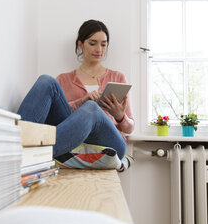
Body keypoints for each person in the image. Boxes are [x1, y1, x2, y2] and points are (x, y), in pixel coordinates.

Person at [17, 19, 134, 160]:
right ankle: (17, 143)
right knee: (46, 81)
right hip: (70, 140)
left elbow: (130, 129)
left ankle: (33, 155)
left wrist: (120, 117)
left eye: (104, 44)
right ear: (80, 44)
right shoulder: (63, 80)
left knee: (91, 108)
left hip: (110, 142)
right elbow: (57, 119)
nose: (99, 49)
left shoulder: (118, 77)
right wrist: (82, 101)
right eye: (92, 43)